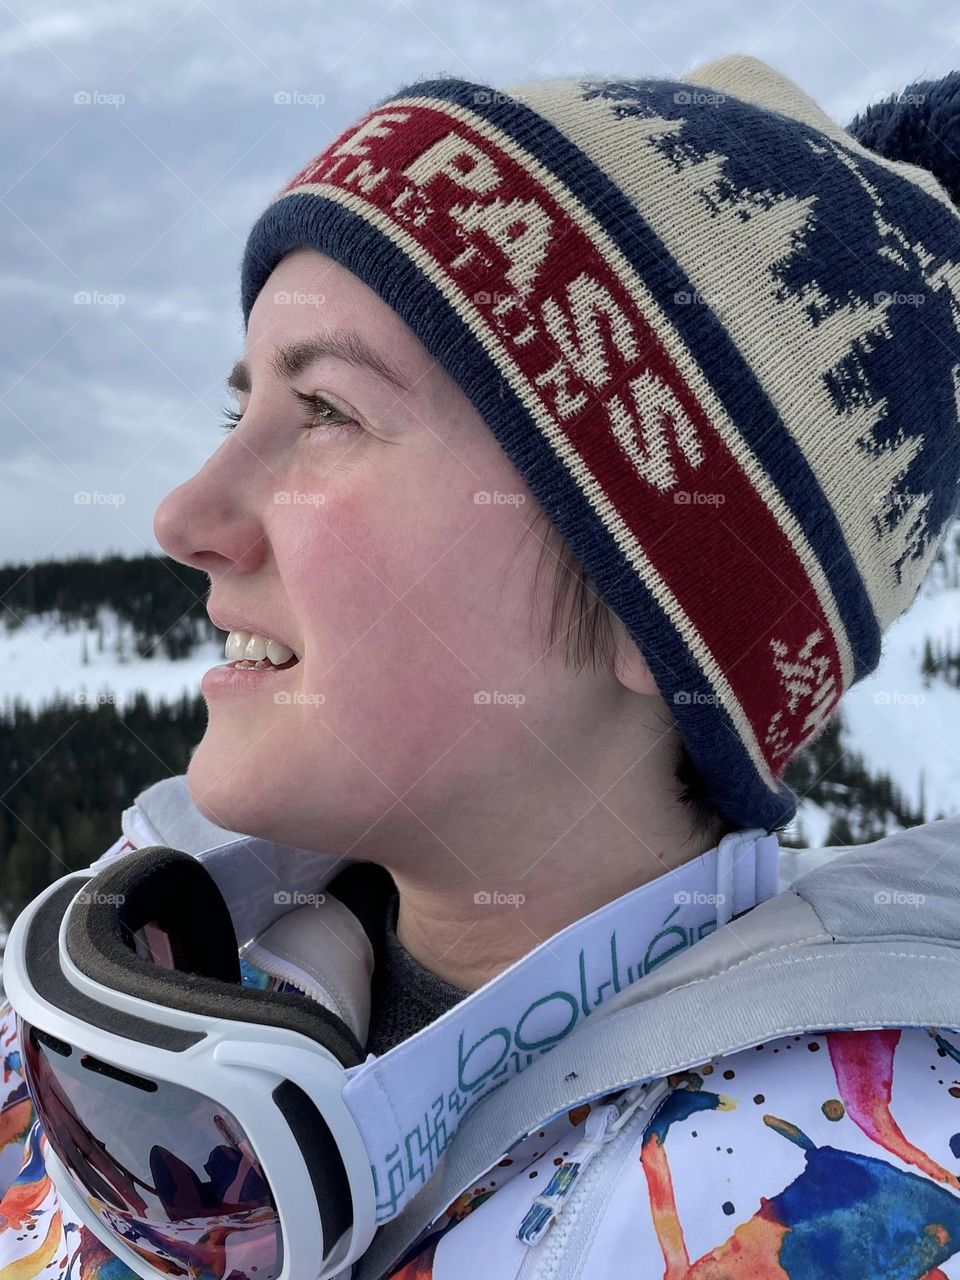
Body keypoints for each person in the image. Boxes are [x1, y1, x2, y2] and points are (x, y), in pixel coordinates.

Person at [2, 49, 960, 1279]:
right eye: (232, 413)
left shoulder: (872, 1213)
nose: (185, 513)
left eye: (331, 412)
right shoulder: (102, 1008)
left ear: (656, 593)